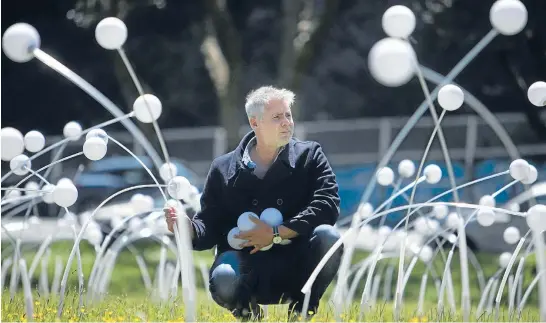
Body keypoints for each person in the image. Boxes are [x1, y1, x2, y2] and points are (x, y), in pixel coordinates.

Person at [164, 86, 344, 321]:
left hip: (297, 264)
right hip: (247, 267)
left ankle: (301, 312)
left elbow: (327, 205)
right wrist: (189, 229)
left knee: (329, 237)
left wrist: (277, 233)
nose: (286, 123)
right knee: (224, 279)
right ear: (254, 123)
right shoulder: (223, 167)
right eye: (277, 117)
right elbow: (210, 222)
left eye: (288, 115)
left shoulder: (310, 155)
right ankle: (248, 315)